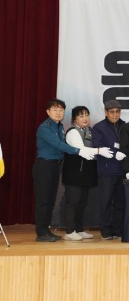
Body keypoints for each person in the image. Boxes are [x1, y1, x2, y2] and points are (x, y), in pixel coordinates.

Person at [32, 99, 98, 242]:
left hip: (55, 166)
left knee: (50, 200)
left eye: (61, 110)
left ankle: (46, 230)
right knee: (43, 201)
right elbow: (58, 144)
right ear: (48, 112)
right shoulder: (45, 127)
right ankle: (41, 233)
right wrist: (78, 151)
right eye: (55, 110)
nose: (58, 113)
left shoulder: (60, 126)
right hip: (45, 166)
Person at [61, 106, 114, 241]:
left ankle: (79, 229)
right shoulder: (73, 132)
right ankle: (69, 231)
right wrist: (99, 151)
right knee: (73, 202)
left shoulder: (89, 131)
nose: (85, 118)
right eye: (81, 116)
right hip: (74, 172)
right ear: (74, 119)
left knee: (82, 202)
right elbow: (81, 149)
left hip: (86, 172)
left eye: (86, 115)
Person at [92, 100, 127, 240]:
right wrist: (114, 152)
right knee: (106, 201)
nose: (115, 114)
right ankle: (106, 230)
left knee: (120, 202)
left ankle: (117, 229)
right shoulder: (99, 127)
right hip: (106, 170)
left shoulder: (124, 126)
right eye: (112, 112)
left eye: (118, 112)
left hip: (122, 170)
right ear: (106, 112)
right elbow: (97, 145)